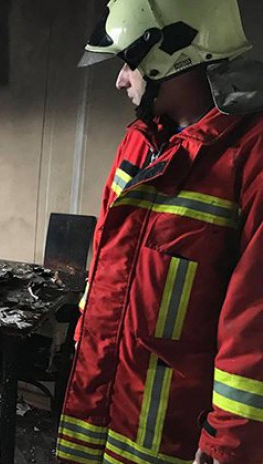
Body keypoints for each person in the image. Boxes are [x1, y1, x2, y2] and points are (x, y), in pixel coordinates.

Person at [56, 1, 262, 464]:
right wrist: (84, 342)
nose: (120, 80)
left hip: (174, 434)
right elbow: (106, 259)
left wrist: (230, 438)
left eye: (129, 64)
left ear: (172, 56)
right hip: (99, 400)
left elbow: (254, 315)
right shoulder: (139, 141)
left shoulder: (250, 157)